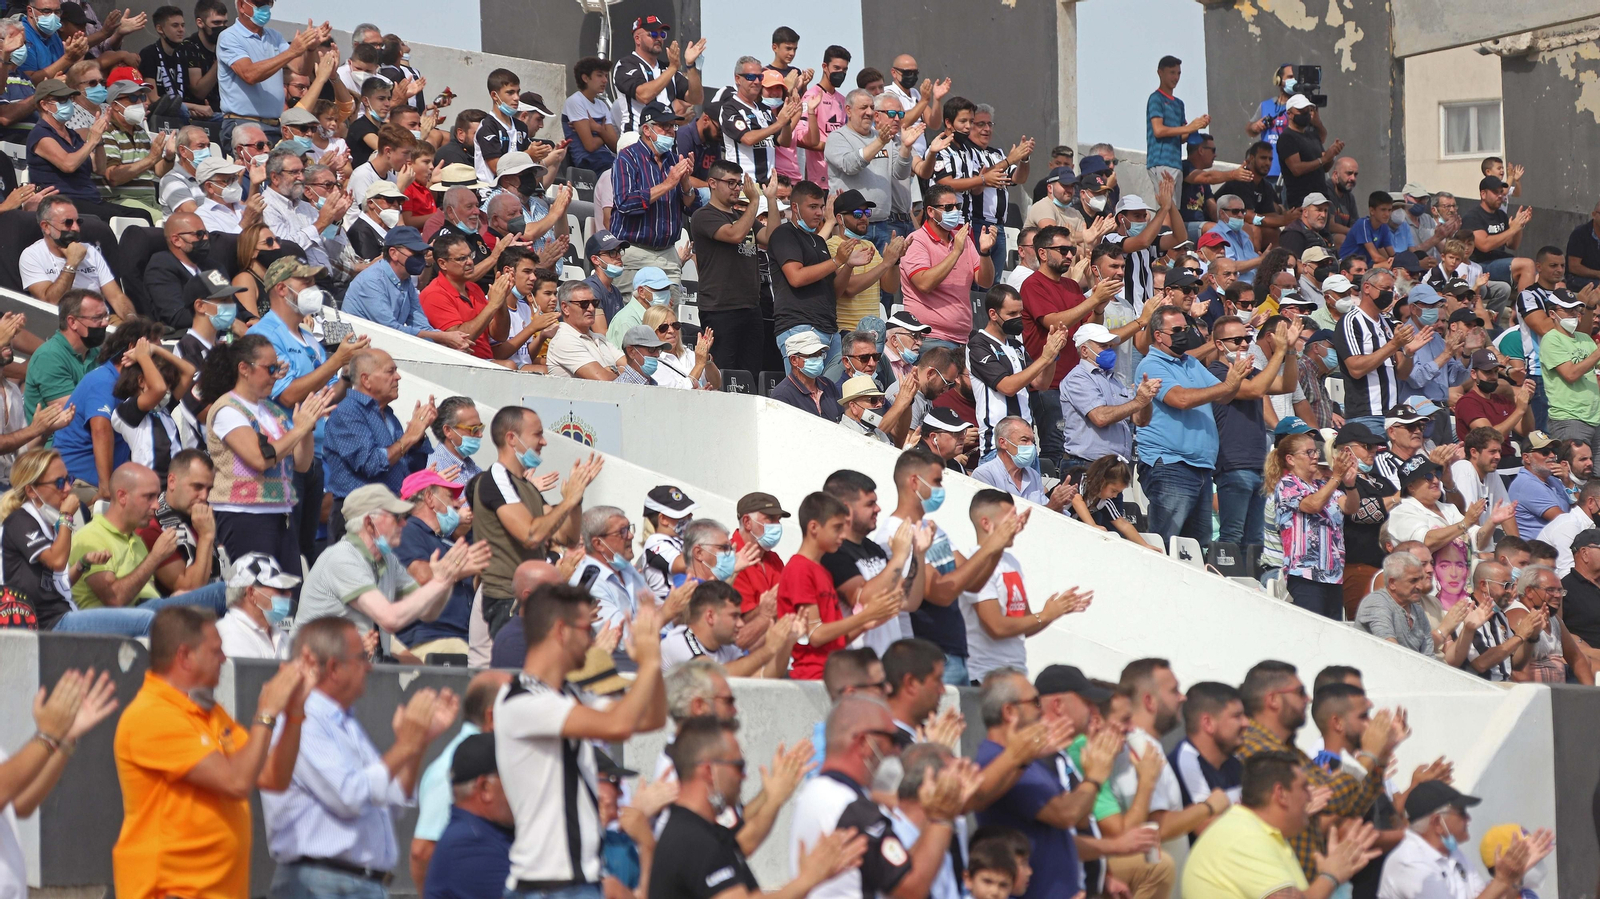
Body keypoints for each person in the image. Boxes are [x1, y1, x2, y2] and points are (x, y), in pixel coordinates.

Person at [112, 605, 310, 899]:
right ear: (184, 657)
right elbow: (237, 782)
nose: (224, 658)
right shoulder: (151, 714)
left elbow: (273, 777)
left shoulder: (210, 713)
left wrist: (293, 715)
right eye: (215, 651)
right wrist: (266, 712)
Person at [259, 616, 457, 898]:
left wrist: (417, 743)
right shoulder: (305, 720)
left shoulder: (345, 721)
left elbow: (392, 800)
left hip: (355, 884)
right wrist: (404, 746)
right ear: (334, 668)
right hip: (321, 885)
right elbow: (349, 796)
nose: (369, 666)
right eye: (361, 658)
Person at [788, 695, 974, 899]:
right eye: (892, 739)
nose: (896, 749)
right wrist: (941, 817)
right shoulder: (852, 808)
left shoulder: (814, 792)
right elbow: (909, 889)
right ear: (864, 743)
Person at [197, 333, 332, 580]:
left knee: (289, 594)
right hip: (243, 515)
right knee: (260, 594)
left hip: (280, 514)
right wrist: (298, 429)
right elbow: (259, 460)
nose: (275, 375)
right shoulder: (227, 409)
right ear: (244, 369)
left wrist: (308, 428)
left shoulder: (271, 411)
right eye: (270, 368)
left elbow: (301, 465)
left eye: (277, 367)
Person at [973, 669, 1109, 899]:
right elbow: (1067, 814)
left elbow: (1079, 815)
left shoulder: (1028, 761)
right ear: (1009, 711)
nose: (1041, 710)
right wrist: (1095, 776)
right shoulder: (996, 761)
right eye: (1035, 702)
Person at [1182, 751, 1380, 899]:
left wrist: (1332, 872)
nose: (1311, 795)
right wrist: (1331, 875)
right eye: (1304, 787)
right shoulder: (1244, 837)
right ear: (1281, 794)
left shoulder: (1258, 832)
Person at [1137, 305, 1251, 550]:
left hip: (1200, 468)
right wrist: (1228, 384)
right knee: (1166, 545)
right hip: (1171, 465)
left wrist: (1235, 380)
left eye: (1185, 328)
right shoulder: (1152, 365)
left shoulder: (1190, 362)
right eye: (1176, 330)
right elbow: (1182, 400)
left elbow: (1224, 396)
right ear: (1158, 335)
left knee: (1196, 550)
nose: (1183, 334)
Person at [959, 491, 1090, 680]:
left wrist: (1055, 612)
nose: (1018, 524)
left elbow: (1025, 623)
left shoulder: (1011, 561)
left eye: (1017, 518)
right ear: (986, 523)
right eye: (1010, 519)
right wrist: (1045, 615)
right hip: (985, 679)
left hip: (1015, 674)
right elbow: (997, 627)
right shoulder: (976, 565)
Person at [1377, 782, 1551, 899]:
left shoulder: (1451, 854)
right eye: (1461, 812)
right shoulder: (1409, 863)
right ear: (1438, 822)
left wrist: (1514, 877)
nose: (1468, 818)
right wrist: (1503, 880)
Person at [1267, 430, 1359, 619]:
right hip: (1305, 574)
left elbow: (1351, 508)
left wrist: (1350, 485)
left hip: (1333, 574)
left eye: (1315, 451)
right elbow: (1313, 505)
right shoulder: (1287, 485)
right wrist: (1337, 477)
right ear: (1291, 459)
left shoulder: (1323, 486)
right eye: (1308, 452)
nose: (1315, 456)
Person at [970, 285, 1069, 459]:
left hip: (1026, 445)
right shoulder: (978, 345)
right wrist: (1044, 358)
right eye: (1011, 314)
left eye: (1020, 313)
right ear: (993, 314)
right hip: (997, 446)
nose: (1018, 319)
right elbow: (1007, 387)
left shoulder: (1017, 346)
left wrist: (1053, 353)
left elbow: (1041, 383)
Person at [215, 0, 325, 148]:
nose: (266, 9)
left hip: (274, 125)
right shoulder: (229, 37)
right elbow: (249, 74)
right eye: (260, 4)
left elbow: (301, 70)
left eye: (269, 4)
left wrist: (310, 49)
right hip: (243, 125)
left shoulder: (274, 36)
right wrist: (292, 51)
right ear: (241, 5)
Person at [688, 159, 763, 374]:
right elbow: (735, 234)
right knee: (725, 374)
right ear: (712, 183)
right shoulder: (703, 215)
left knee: (751, 375)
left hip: (750, 306)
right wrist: (755, 202)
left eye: (739, 183)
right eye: (731, 182)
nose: (737, 188)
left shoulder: (742, 216)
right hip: (720, 308)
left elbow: (769, 236)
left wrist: (773, 199)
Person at [903, 184, 997, 350]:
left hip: (962, 339)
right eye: (948, 207)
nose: (955, 211)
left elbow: (985, 281)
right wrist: (956, 252)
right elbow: (924, 284)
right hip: (928, 339)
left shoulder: (963, 240)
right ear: (931, 212)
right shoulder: (916, 241)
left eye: (957, 206)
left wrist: (985, 252)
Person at [21, 196, 135, 317]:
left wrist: (131, 321)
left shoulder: (90, 250)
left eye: (78, 222)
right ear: (46, 227)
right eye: (68, 223)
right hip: (63, 323)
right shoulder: (32, 256)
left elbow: (116, 296)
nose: (76, 228)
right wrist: (72, 263)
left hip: (101, 320)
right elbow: (52, 303)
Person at [1061, 323, 1157, 466]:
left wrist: (1146, 399)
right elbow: (1100, 417)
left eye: (1110, 346)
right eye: (1103, 346)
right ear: (1085, 350)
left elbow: (1140, 420)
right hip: (1087, 465)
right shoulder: (1078, 378)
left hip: (1115, 467)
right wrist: (1138, 401)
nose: (1110, 350)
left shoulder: (1115, 381)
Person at [1169, 681, 1245, 816]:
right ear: (1208, 723)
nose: (1246, 723)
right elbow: (1207, 825)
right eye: (1237, 716)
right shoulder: (1186, 761)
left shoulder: (1232, 763)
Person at [971, 420, 1076, 512]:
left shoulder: (1033, 475)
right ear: (1003, 443)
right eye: (1024, 440)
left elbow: (1045, 510)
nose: (1031, 446)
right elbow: (999, 520)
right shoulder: (985, 474)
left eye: (1032, 441)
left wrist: (1060, 503)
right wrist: (1052, 507)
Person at [215, 551, 300, 659]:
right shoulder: (228, 635)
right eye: (280, 590)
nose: (289, 594)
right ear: (251, 593)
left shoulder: (281, 636)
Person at [1461, 175, 1534, 292]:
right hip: (1480, 265)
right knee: (1527, 265)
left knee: (1541, 275)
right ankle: (1524, 309)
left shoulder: (1501, 215)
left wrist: (1520, 225)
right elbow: (1484, 245)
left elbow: (1512, 245)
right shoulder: (1473, 217)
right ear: (1483, 194)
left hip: (1499, 261)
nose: (1500, 196)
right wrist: (1513, 229)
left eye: (1501, 192)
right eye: (1495, 192)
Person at [1145, 56, 1207, 184]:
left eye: (1178, 73)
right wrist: (1189, 127)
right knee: (1167, 203)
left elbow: (1182, 137)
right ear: (1160, 73)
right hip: (1161, 161)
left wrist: (1197, 126)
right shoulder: (1156, 98)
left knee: (1173, 204)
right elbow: (1158, 130)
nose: (1176, 78)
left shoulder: (1179, 104)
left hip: (1175, 162)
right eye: (1172, 73)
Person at [1275, 94, 1341, 207]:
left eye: (1308, 111)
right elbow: (1296, 169)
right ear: (1289, 114)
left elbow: (1324, 167)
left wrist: (1331, 156)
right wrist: (1323, 159)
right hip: (1301, 200)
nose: (1305, 114)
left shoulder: (1312, 135)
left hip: (1321, 197)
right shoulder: (1287, 137)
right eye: (1301, 111)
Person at [772, 330, 843, 421]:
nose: (819, 359)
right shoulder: (782, 394)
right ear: (794, 360)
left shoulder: (828, 385)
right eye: (812, 355)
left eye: (820, 354)